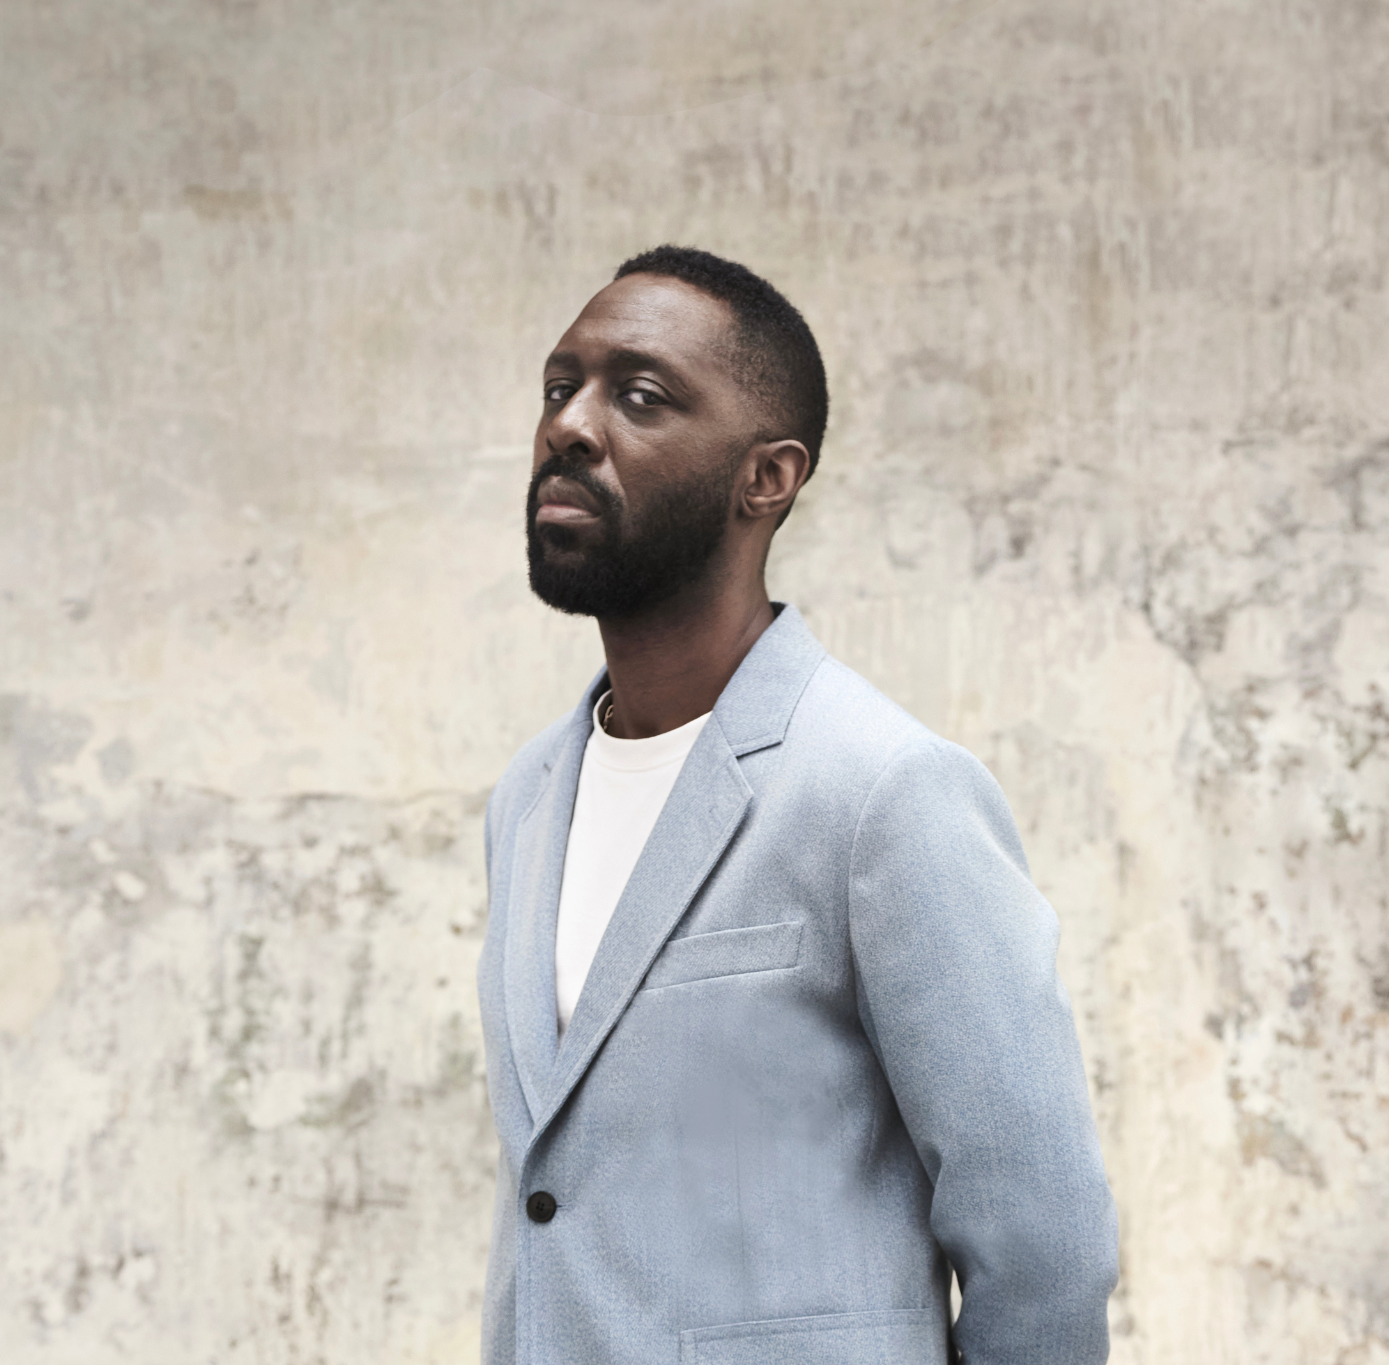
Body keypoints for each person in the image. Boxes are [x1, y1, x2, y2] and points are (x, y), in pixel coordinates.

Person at [475, 246, 1119, 1365]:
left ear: (766, 478)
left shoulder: (881, 791)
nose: (569, 426)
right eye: (558, 387)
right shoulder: (529, 798)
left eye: (639, 396)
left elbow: (1045, 1245)